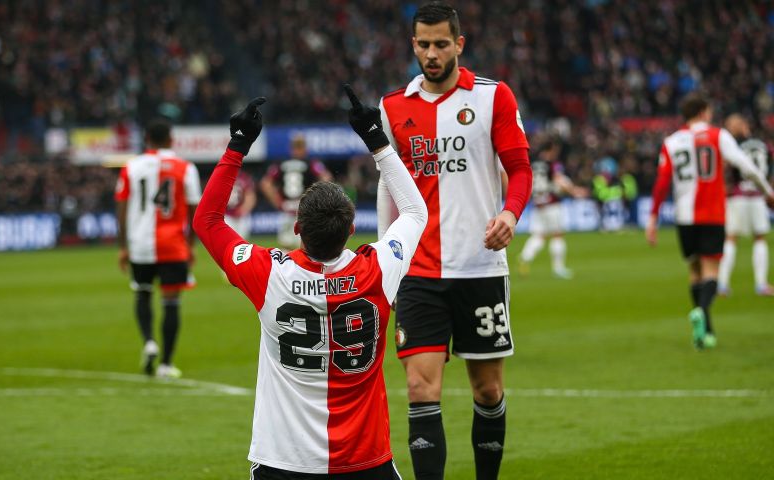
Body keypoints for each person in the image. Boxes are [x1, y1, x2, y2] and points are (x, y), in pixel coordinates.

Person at [193, 88, 427, 479]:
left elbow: (208, 221)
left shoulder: (269, 273)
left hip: (284, 460)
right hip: (364, 460)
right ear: (352, 229)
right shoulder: (378, 269)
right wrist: (376, 138)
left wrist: (237, 145)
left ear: (297, 229)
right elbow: (415, 210)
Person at [375, 3, 533, 479]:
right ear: (413, 45)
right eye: (423, 44)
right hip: (418, 271)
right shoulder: (392, 107)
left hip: (480, 269)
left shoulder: (493, 97)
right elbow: (388, 185)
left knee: (487, 390)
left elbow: (521, 169)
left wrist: (510, 211)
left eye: (441, 44)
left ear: (459, 44)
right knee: (421, 389)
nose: (431, 53)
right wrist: (388, 260)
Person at [646, 94, 774, 350]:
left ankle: (704, 333)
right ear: (704, 111)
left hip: (684, 215)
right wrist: (767, 192)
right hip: (713, 212)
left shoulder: (671, 142)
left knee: (694, 272)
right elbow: (745, 166)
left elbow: (662, 182)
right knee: (711, 271)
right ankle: (702, 312)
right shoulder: (718, 135)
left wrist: (653, 216)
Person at [115, 118, 201, 378]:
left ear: (146, 140)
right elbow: (194, 208)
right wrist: (190, 245)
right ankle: (165, 363)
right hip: (173, 245)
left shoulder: (131, 167)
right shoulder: (185, 168)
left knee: (142, 293)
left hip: (140, 244)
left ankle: (149, 342)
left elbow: (121, 207)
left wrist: (122, 246)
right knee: (171, 302)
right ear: (171, 140)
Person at [717, 114, 774, 296]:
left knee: (731, 238)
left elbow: (727, 169)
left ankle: (722, 284)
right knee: (760, 237)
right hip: (757, 194)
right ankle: (761, 284)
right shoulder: (764, 146)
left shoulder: (734, 146)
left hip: (738, 194)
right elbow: (769, 172)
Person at [518, 142, 589, 279]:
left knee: (540, 235)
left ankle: (525, 257)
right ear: (550, 150)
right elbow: (559, 180)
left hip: (538, 203)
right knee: (558, 234)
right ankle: (558, 268)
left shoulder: (532, 163)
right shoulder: (550, 164)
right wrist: (575, 191)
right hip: (552, 203)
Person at [260, 134, 333, 250]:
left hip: (286, 207)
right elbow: (326, 178)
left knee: (286, 247)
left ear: (291, 148)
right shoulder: (311, 163)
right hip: (305, 208)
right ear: (305, 148)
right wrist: (317, 198)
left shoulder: (281, 164)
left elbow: (265, 183)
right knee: (308, 246)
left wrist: (276, 201)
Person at [225, 170, 257, 238]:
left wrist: (244, 209)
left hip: (241, 215)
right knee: (227, 240)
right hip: (226, 214)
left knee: (242, 242)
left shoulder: (243, 177)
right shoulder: (221, 177)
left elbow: (250, 195)